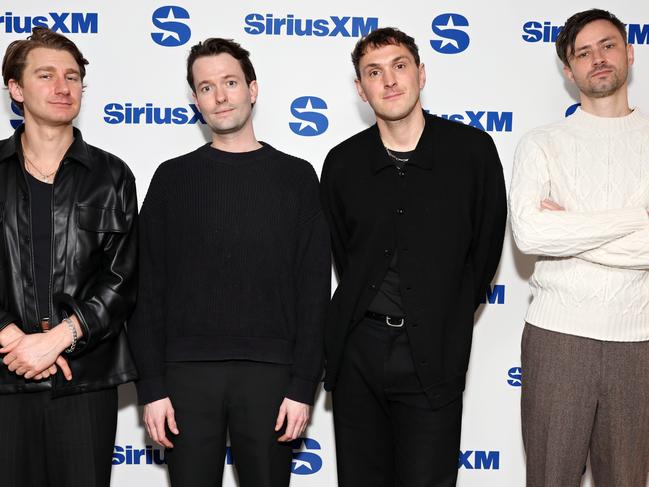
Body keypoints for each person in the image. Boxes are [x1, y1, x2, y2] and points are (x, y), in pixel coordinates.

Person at [128, 37, 330, 487]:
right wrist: (152, 387)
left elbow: (315, 291)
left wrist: (302, 387)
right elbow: (145, 290)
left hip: (272, 378)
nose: (219, 96)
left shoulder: (297, 178)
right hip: (183, 378)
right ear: (195, 99)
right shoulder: (171, 178)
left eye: (230, 82)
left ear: (252, 89)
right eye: (205, 87)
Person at [320, 27, 507, 487]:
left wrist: (444, 316)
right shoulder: (342, 162)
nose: (389, 80)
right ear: (361, 90)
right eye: (374, 72)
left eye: (400, 66)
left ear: (421, 74)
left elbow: (484, 251)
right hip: (359, 355)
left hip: (434, 355)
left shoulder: (472, 152)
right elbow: (346, 256)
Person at [510, 8, 649, 487]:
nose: (599, 59)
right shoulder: (541, 143)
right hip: (557, 337)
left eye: (608, 45)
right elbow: (530, 235)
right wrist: (637, 220)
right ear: (569, 72)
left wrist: (570, 227)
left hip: (638, 341)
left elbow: (552, 233)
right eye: (583, 54)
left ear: (630, 52)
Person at [0, 27, 138, 487]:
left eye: (73, 77)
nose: (63, 87)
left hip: (84, 379)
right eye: (46, 75)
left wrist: (59, 337)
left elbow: (122, 280)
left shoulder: (112, 174)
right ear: (16, 89)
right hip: (3, 373)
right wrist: (13, 339)